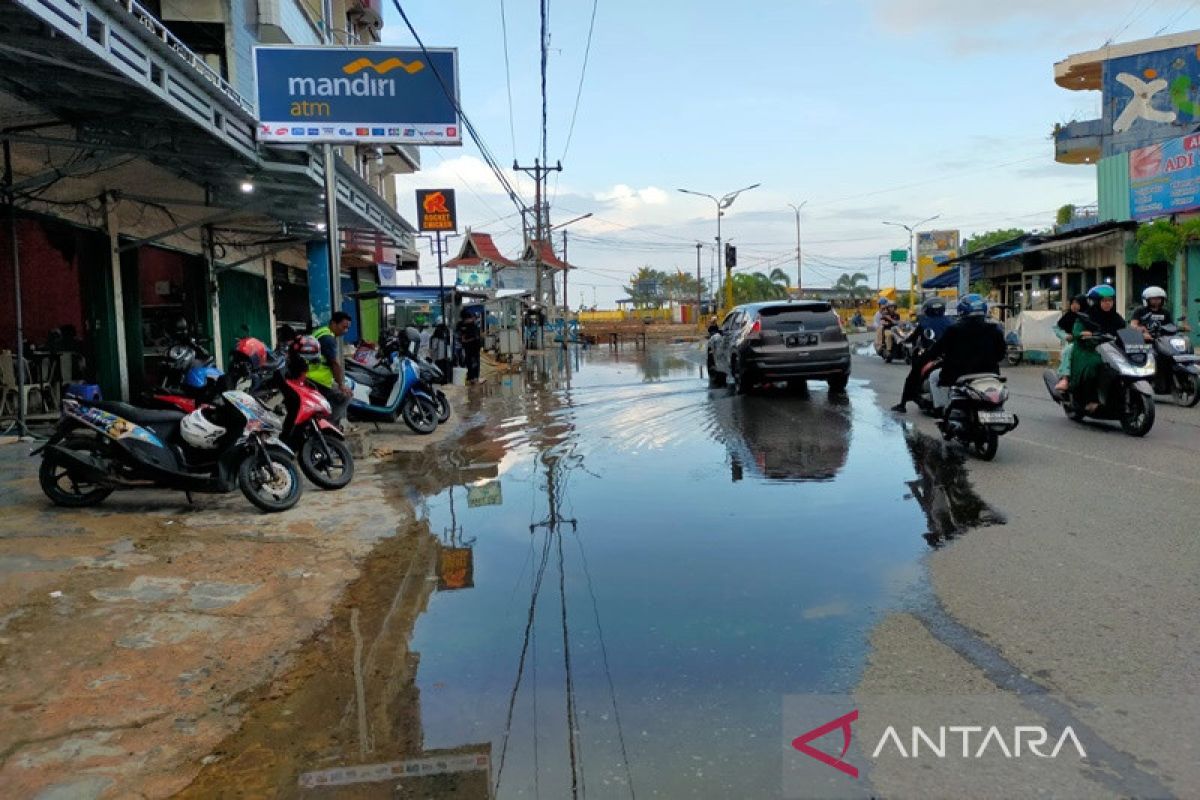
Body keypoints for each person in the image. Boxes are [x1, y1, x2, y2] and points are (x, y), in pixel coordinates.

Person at [922, 294, 1008, 413]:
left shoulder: (954, 330)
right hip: (990, 374)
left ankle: (942, 410)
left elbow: (936, 350)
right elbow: (1001, 354)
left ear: (962, 310)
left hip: (958, 375)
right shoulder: (995, 329)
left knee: (934, 377)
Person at [1070, 284, 1125, 414]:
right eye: (1104, 301)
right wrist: (1084, 334)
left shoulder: (1116, 317)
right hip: (1088, 350)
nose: (1108, 304)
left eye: (1110, 300)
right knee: (1095, 364)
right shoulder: (1085, 317)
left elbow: (1124, 330)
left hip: (1111, 349)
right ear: (1096, 302)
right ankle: (1091, 399)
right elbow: (1076, 332)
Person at [892, 297, 954, 413]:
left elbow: (913, 337)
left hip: (931, 354)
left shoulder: (924, 322)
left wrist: (904, 340)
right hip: (949, 355)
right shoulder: (950, 321)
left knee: (911, 378)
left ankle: (902, 405)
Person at [307, 311, 353, 424]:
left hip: (309, 375)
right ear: (333, 323)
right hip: (317, 379)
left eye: (347, 328)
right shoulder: (328, 339)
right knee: (345, 396)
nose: (345, 331)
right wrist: (341, 384)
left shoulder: (321, 332)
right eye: (344, 327)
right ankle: (327, 425)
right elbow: (334, 363)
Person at [1053, 295, 1087, 393]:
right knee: (1067, 351)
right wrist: (1065, 336)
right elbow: (1057, 328)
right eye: (1072, 303)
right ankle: (1065, 378)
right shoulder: (1068, 316)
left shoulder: (1088, 316)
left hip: (1089, 343)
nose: (1074, 306)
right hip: (1073, 343)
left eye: (1077, 303)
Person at [456, 309, 482, 382]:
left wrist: (465, 340)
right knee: (469, 361)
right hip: (468, 347)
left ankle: (474, 377)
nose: (469, 320)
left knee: (473, 362)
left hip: (473, 347)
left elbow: (476, 337)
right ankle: (471, 376)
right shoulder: (461, 324)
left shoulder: (472, 325)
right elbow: (458, 333)